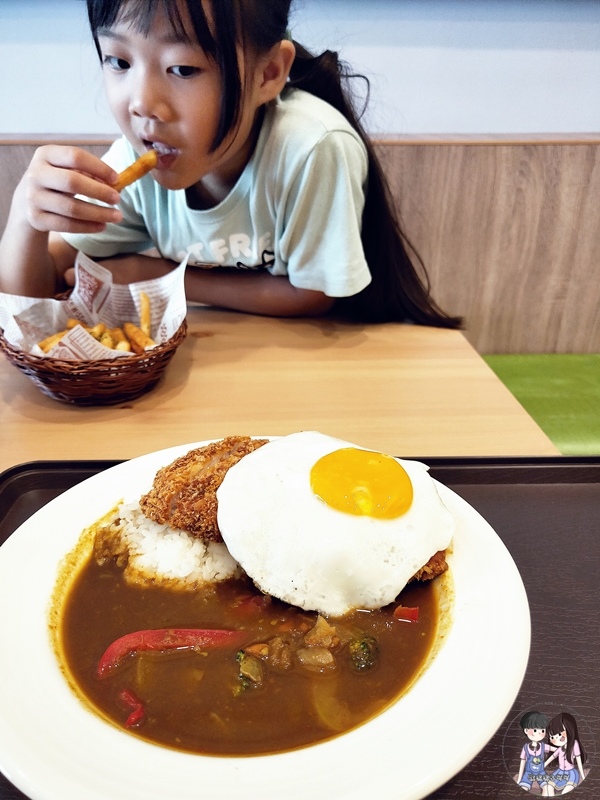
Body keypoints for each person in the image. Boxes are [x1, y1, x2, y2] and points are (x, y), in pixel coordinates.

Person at [0, 0, 460, 328]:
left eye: (183, 69)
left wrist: (163, 277)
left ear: (268, 74)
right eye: (119, 61)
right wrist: (25, 219)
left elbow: (314, 295)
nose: (142, 104)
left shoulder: (310, 149)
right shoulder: (133, 164)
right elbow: (33, 300)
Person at [544, 712, 587, 795]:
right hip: (559, 773)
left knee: (566, 792)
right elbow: (552, 757)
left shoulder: (574, 744)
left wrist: (583, 776)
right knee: (549, 786)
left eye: (560, 734)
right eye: (552, 737)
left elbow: (578, 760)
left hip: (571, 774)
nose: (556, 738)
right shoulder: (560, 749)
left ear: (570, 729)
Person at [516, 711, 552, 795]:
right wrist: (519, 779)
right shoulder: (525, 748)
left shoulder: (543, 746)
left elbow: (557, 751)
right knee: (523, 787)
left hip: (541, 773)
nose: (539, 733)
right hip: (528, 774)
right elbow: (522, 763)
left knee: (547, 787)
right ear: (526, 730)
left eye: (542, 730)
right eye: (535, 730)